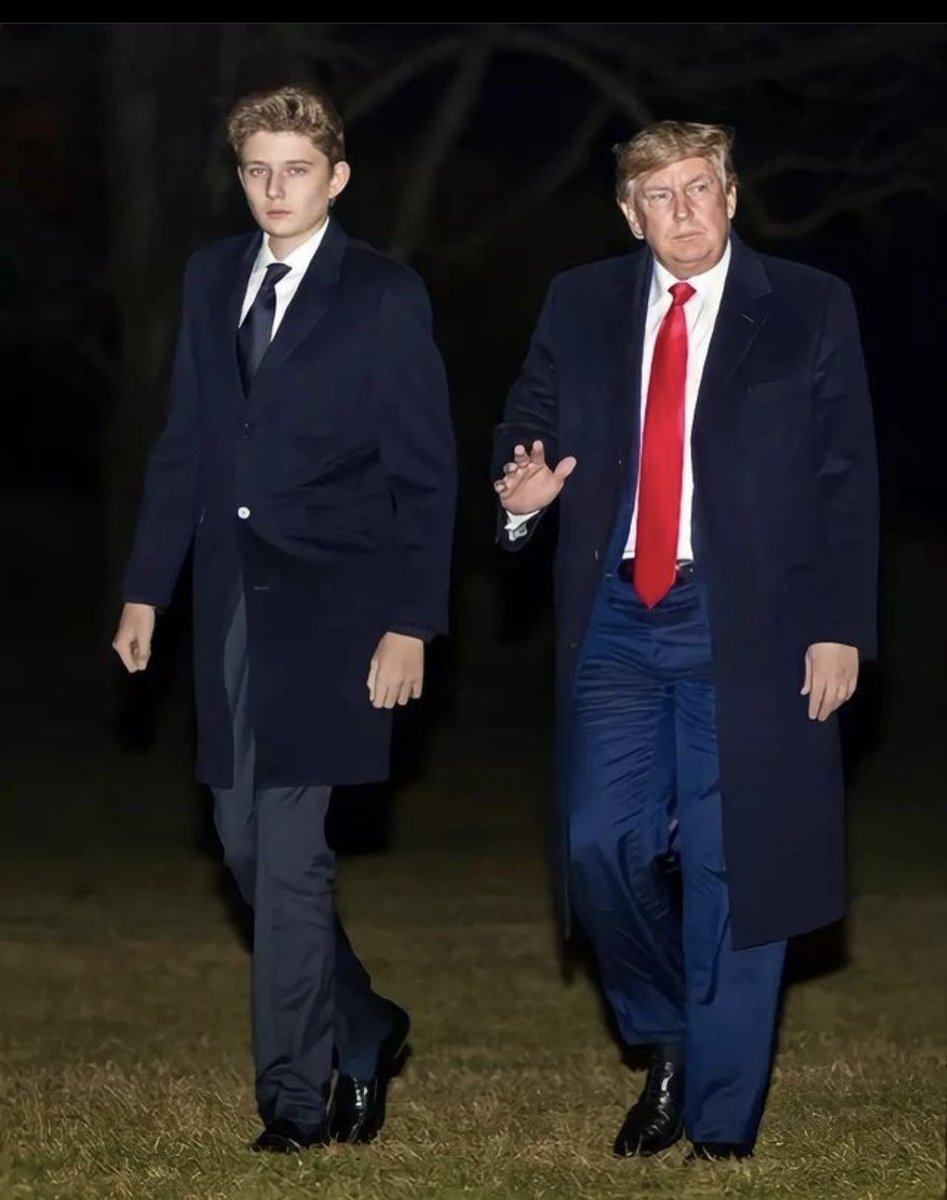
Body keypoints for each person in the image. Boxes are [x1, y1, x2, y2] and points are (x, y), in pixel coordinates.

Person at [491, 120, 878, 1162]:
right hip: (616, 610)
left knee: (729, 864)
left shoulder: (804, 307)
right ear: (628, 213)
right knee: (595, 843)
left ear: (731, 195)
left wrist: (839, 626)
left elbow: (845, 479)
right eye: (656, 196)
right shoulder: (580, 302)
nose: (681, 211)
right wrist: (520, 493)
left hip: (748, 620)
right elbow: (524, 424)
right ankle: (663, 1033)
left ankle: (716, 1121)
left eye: (697, 188)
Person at [111, 83, 457, 1153]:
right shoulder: (212, 275)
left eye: (295, 169)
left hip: (341, 609)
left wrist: (411, 621)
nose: (274, 188)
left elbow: (426, 473)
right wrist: (145, 585)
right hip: (227, 602)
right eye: (257, 168)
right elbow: (186, 444)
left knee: (292, 854)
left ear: (336, 178)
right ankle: (364, 1022)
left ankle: (293, 1102)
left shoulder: (383, 296)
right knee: (240, 843)